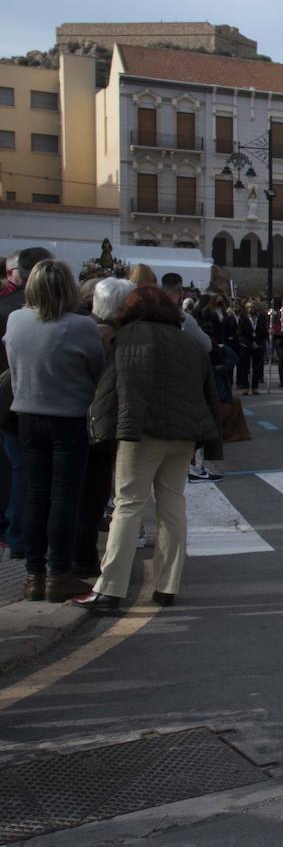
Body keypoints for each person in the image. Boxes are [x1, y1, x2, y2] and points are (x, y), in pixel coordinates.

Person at [71, 285, 222, 613]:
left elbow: (112, 386)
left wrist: (101, 430)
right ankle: (167, 586)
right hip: (184, 434)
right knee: (173, 505)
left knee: (128, 505)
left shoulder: (129, 335)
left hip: (141, 432)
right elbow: (206, 390)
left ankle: (110, 589)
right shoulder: (188, 341)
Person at [5, 260, 105, 603]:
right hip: (68, 418)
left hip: (27, 415)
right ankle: (59, 573)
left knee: (36, 493)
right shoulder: (81, 326)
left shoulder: (16, 320)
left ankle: (34, 575)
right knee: (65, 496)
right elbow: (96, 370)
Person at [73, 277, 138, 576]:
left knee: (81, 493)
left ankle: (77, 555)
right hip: (97, 423)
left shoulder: (81, 328)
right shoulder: (110, 337)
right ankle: (84, 558)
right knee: (92, 494)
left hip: (78, 418)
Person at [0, 247, 53, 563]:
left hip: (11, 401)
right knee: (32, 474)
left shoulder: (11, 308)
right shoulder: (63, 311)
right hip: (43, 403)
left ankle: (16, 534)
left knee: (18, 470)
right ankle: (22, 536)